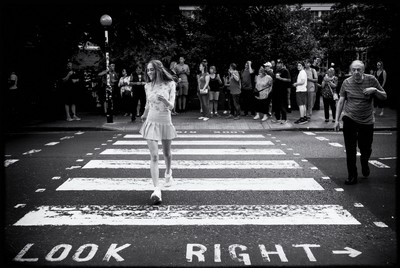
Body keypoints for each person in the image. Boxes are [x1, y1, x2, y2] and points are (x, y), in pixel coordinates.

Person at [334, 60, 387, 185]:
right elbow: (341, 101)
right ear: (350, 70)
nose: (356, 72)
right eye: (354, 70)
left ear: (363, 70)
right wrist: (336, 120)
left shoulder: (371, 80)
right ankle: (352, 175)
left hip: (367, 120)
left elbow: (384, 96)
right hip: (349, 118)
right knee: (350, 149)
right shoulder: (346, 83)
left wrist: (374, 90)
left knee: (366, 148)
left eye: (359, 69)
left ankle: (364, 161)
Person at [139, 59, 177, 204]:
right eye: (148, 70)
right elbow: (148, 103)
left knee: (167, 153)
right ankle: (156, 189)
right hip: (151, 121)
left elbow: (172, 106)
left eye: (152, 69)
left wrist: (166, 102)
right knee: (154, 156)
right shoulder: (147, 86)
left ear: (158, 70)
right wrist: (143, 114)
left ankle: (168, 173)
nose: (149, 72)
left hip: (165, 121)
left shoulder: (170, 84)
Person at [272, 59, 291, 124]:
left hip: (282, 90)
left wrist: (280, 78)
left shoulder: (285, 70)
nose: (278, 64)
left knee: (282, 105)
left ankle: (284, 118)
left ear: (282, 64)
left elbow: (289, 80)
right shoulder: (277, 70)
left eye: (279, 63)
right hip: (276, 90)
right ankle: (278, 118)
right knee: (276, 105)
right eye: (277, 63)